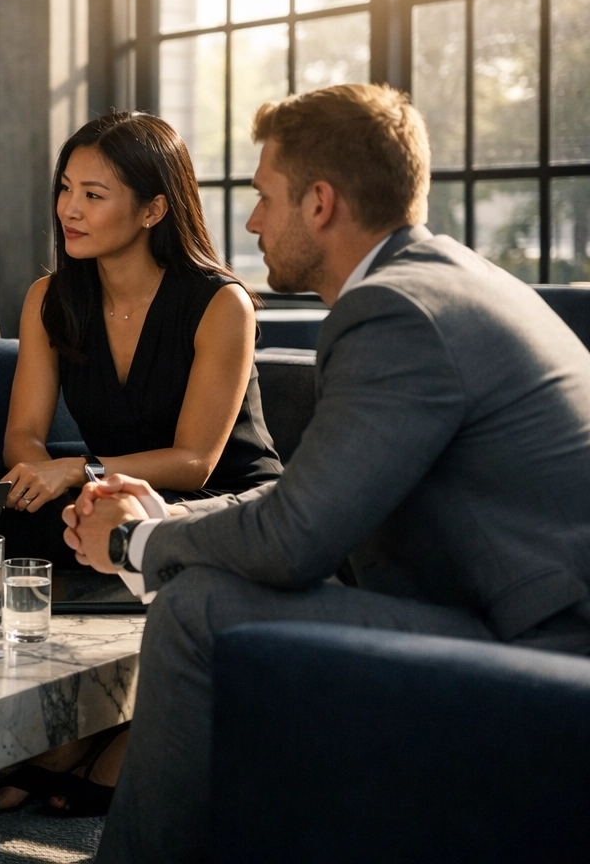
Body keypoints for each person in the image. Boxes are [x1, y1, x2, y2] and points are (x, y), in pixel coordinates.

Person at [65, 83, 590, 863]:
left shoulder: (395, 313)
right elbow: (314, 491)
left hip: (545, 653)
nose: (250, 222)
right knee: (207, 591)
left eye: (262, 197)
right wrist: (170, 521)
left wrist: (139, 543)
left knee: (198, 608)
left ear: (319, 203)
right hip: (513, 618)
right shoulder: (439, 279)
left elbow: (296, 538)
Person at [0, 111, 282, 815]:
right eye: (65, 189)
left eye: (94, 193)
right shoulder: (51, 297)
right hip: (106, 487)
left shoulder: (220, 303)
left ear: (153, 208)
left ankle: (101, 734)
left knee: (110, 516)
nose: (69, 210)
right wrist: (37, 472)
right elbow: (23, 434)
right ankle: (60, 724)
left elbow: (195, 459)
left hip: (215, 498)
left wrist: (76, 471)